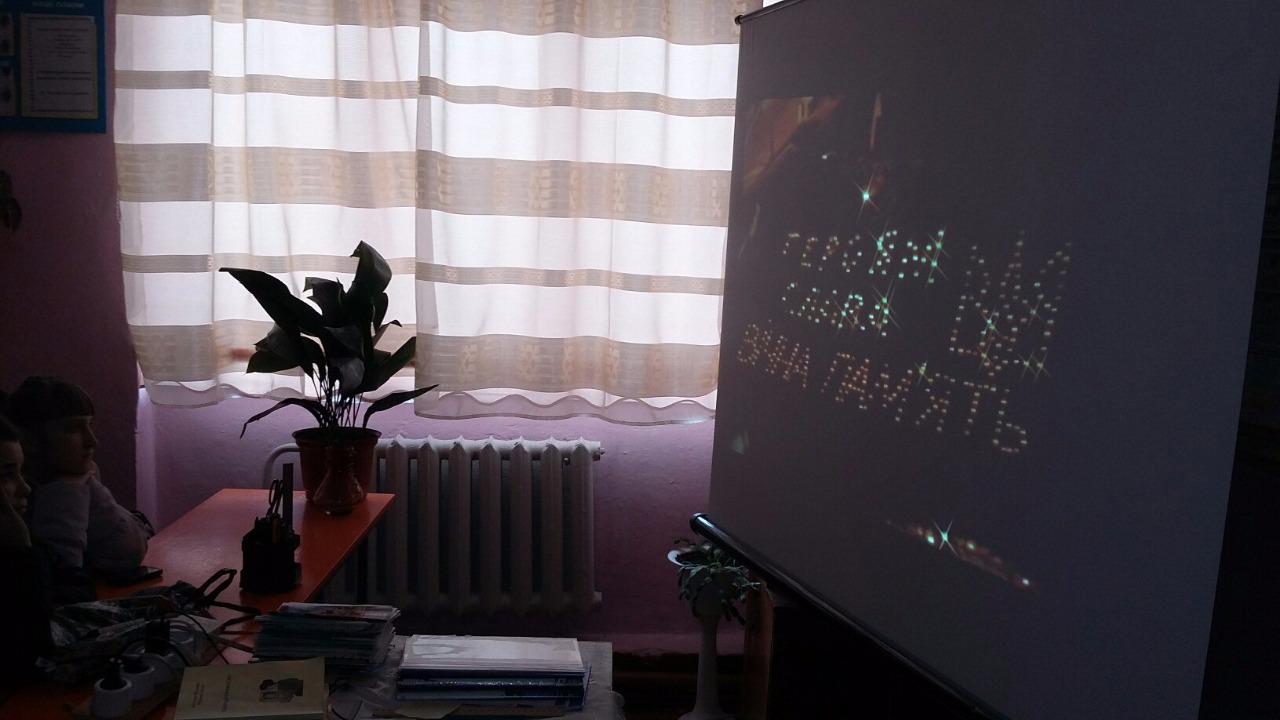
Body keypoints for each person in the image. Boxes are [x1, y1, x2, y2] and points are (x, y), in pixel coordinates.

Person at [6, 377, 150, 575]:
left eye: (90, 425)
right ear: (30, 440)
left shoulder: (80, 475)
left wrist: (80, 485)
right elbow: (60, 575)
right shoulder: (14, 494)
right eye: (74, 429)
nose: (92, 441)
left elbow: (128, 552)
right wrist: (66, 491)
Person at [0, 412, 95, 687]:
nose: (25, 488)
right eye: (7, 475)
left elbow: (80, 590)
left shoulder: (30, 539)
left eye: (22, 472)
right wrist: (19, 549)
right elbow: (25, 657)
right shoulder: (16, 541)